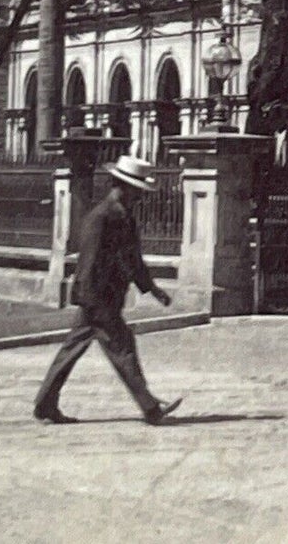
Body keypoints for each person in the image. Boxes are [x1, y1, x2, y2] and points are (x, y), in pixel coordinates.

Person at [33, 154, 183, 426]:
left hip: (105, 296)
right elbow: (88, 260)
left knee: (73, 349)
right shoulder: (101, 217)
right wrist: (89, 298)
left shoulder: (123, 216)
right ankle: (150, 407)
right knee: (122, 348)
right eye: (138, 190)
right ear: (124, 186)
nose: (141, 196)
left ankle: (45, 403)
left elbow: (132, 258)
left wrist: (152, 289)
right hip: (99, 297)